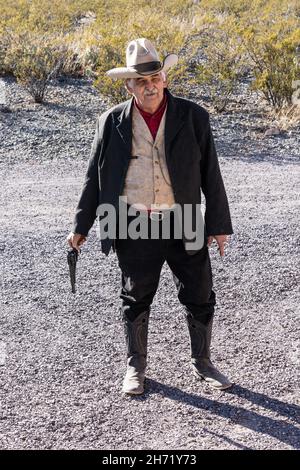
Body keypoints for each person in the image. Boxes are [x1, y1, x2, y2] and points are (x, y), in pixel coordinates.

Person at [67, 38, 234, 395]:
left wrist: (219, 225)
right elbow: (93, 176)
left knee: (200, 292)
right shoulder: (110, 121)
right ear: (129, 85)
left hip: (184, 216)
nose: (149, 86)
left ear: (165, 79)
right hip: (130, 220)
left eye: (155, 77)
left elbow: (211, 173)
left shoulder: (194, 117)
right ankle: (135, 367)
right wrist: (80, 226)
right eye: (140, 81)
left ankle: (203, 362)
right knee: (135, 295)